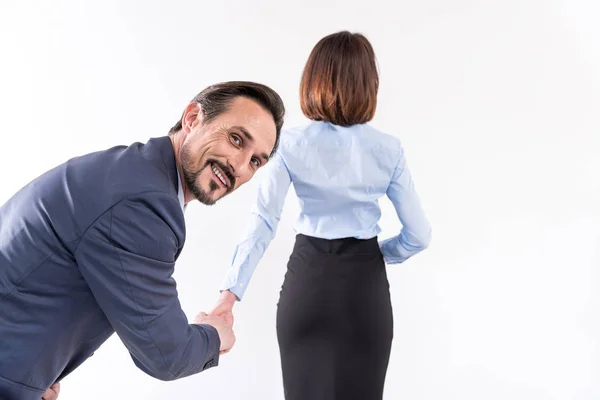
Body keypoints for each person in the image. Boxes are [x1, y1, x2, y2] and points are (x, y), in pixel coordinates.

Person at [0, 81, 285, 400]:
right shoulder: (143, 204)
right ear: (192, 118)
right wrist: (216, 336)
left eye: (256, 161)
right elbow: (166, 354)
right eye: (236, 139)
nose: (239, 166)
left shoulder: (135, 172)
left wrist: (33, 377)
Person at [209, 32, 432, 399]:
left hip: (308, 284)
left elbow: (263, 220)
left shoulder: (289, 144)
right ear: (369, 85)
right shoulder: (388, 150)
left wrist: (230, 294)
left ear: (313, 80)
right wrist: (378, 254)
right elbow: (419, 235)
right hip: (365, 289)